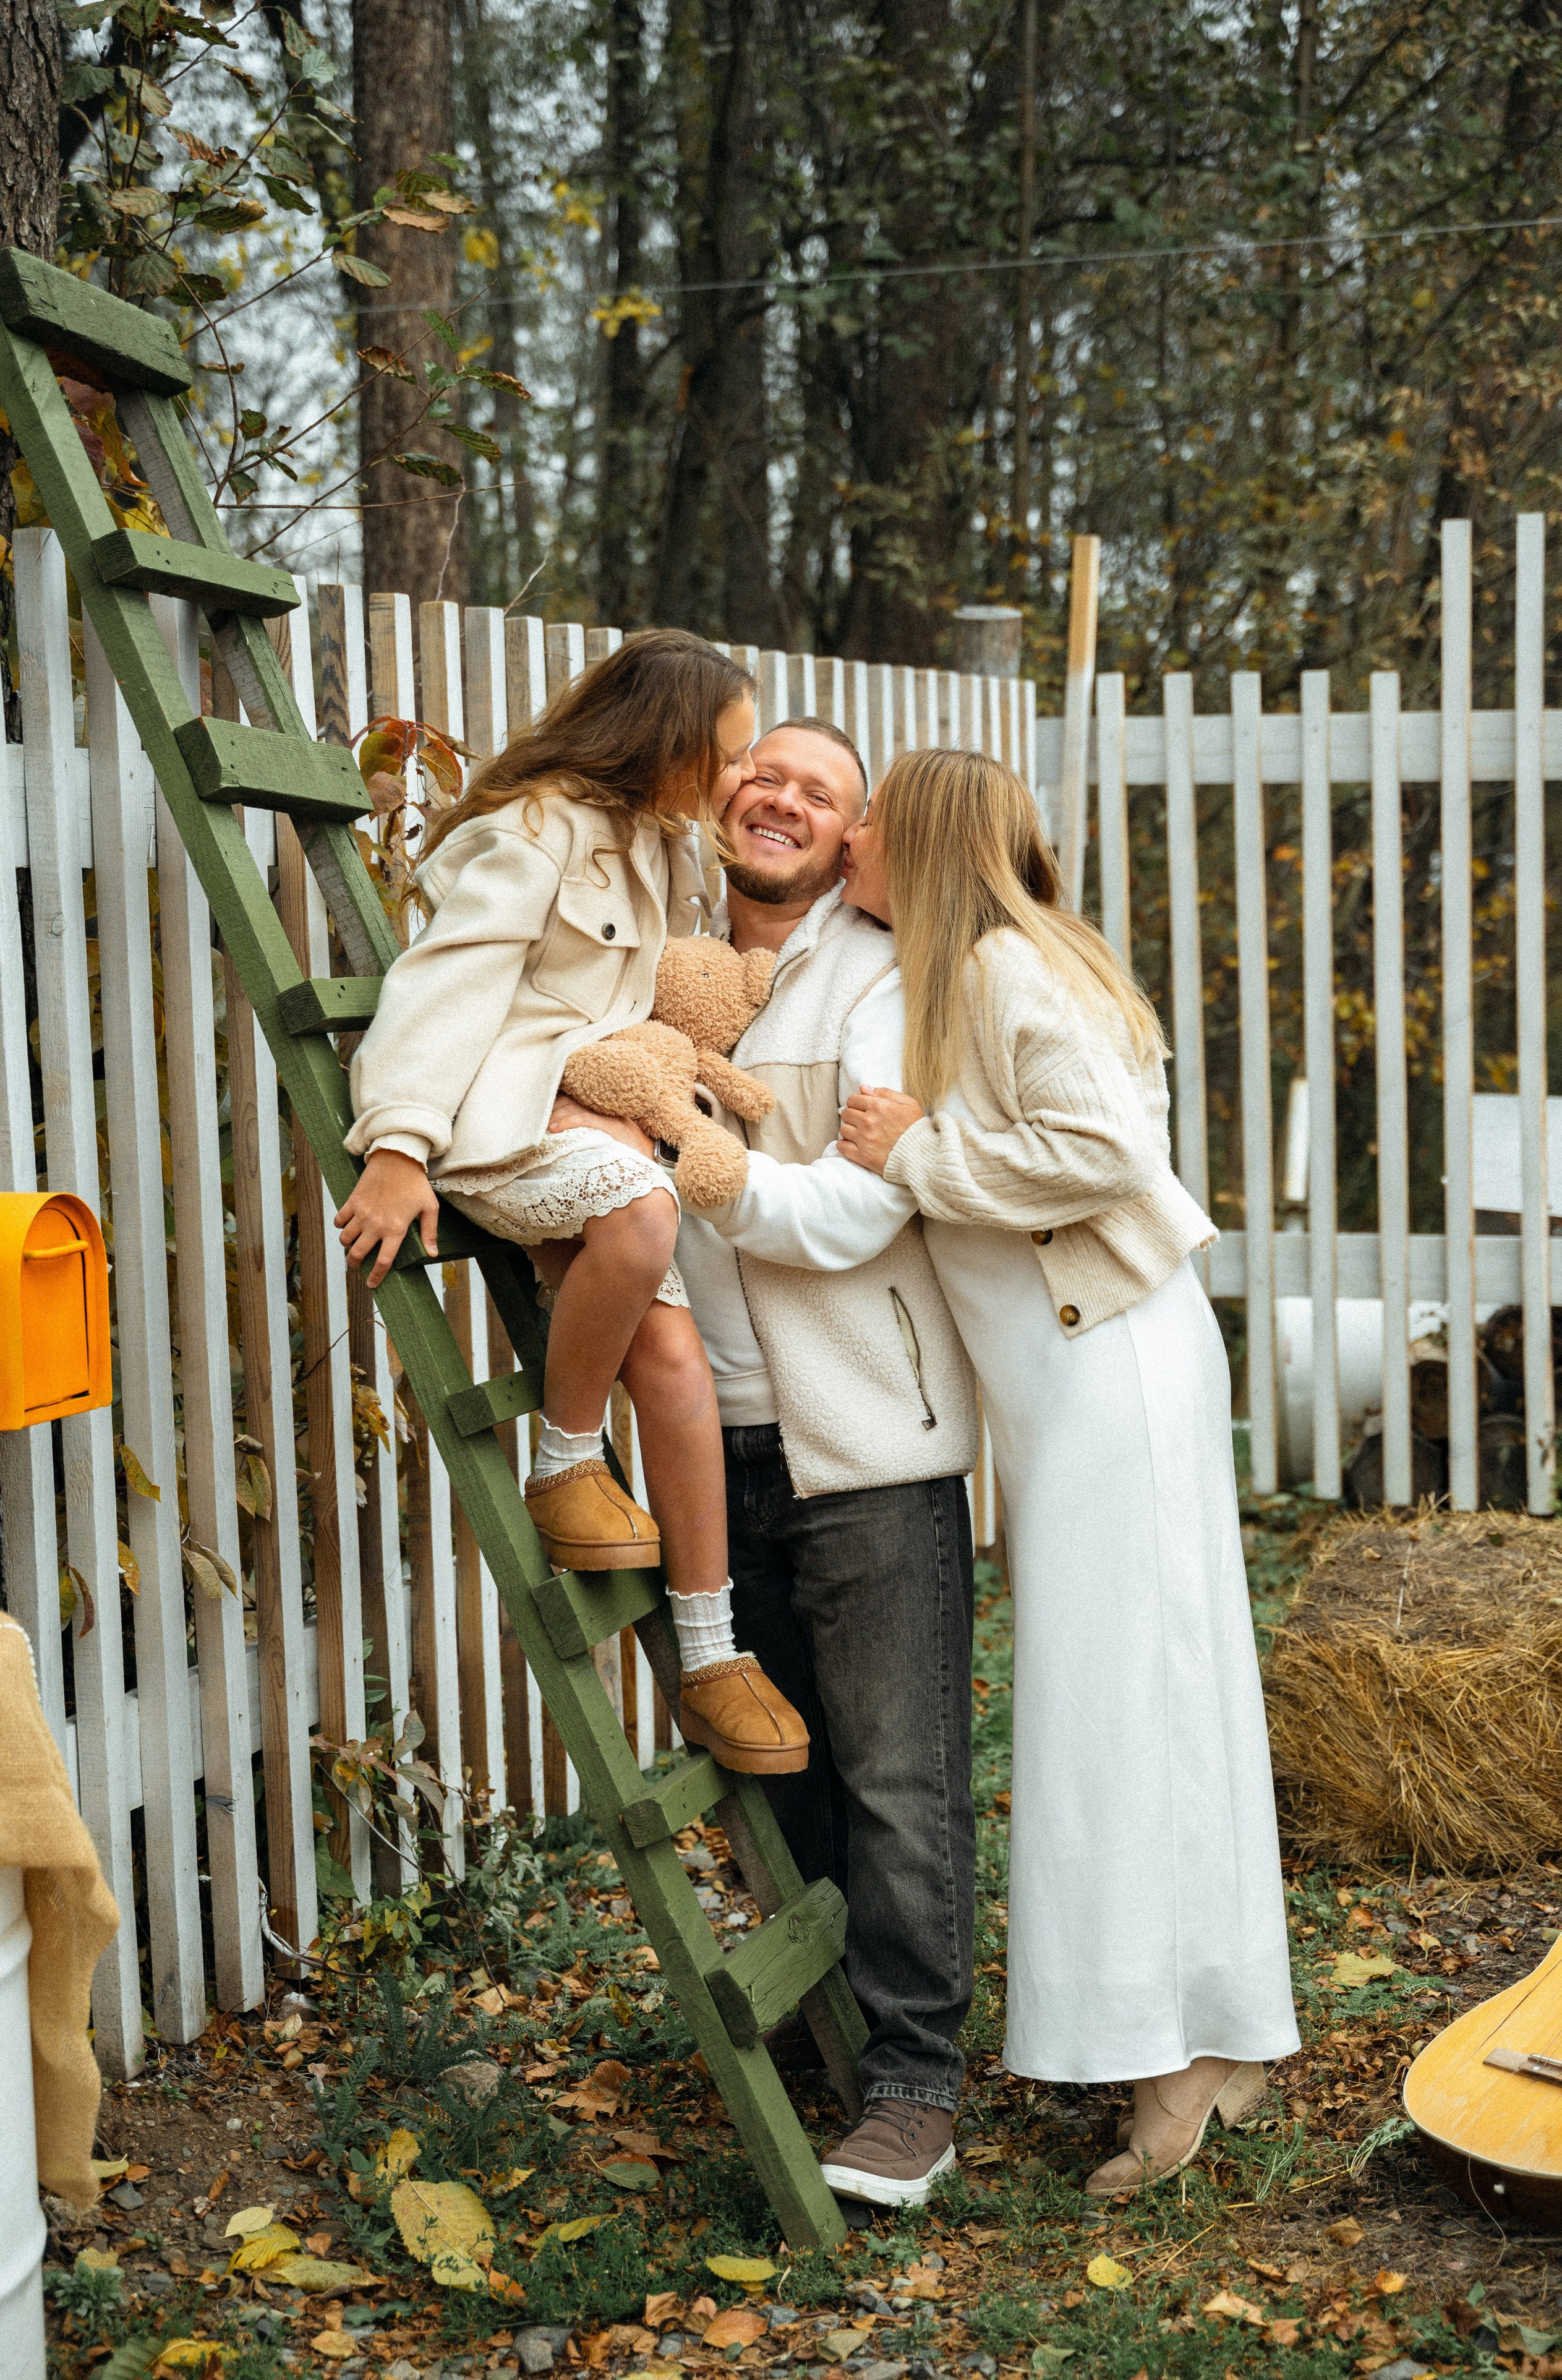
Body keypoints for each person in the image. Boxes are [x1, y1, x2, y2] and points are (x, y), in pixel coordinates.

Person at [824, 747, 1300, 2196]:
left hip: (1112, 1380)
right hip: (1093, 1377)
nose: (844, 839)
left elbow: (1103, 1150)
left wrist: (919, 1152)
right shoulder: (1000, 962)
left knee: (1118, 1719)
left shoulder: (998, 971)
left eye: (866, 821)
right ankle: (1217, 2028)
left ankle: (1173, 2066)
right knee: (1161, 1699)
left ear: (923, 843)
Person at [547, 717, 983, 2211]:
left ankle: (917, 2083)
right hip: (700, 1448)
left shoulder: (881, 974)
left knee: (897, 1776)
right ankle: (830, 2045)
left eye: (820, 790)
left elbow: (860, 1215)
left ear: (856, 837)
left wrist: (679, 1162)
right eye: (762, 773)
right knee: (778, 1765)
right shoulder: (651, 959)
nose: (779, 799)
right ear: (719, 797)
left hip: (867, 1437)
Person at [335, 629, 808, 1778]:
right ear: (663, 742)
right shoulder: (532, 833)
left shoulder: (658, 843)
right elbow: (448, 987)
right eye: (729, 755)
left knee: (681, 1367)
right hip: (501, 1118)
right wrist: (400, 1144)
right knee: (646, 1216)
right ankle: (564, 1463)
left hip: (597, 1117)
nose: (740, 779)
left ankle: (710, 1655)